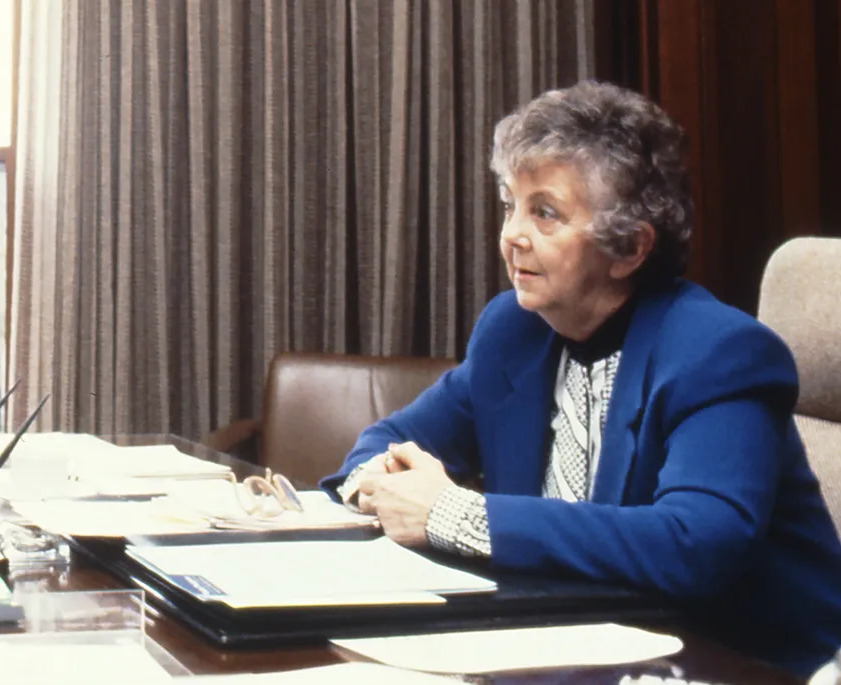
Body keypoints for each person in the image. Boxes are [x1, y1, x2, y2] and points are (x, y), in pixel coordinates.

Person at [321, 80, 841, 675]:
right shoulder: (513, 331)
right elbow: (390, 439)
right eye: (509, 204)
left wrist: (450, 515)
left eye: (545, 212)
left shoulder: (719, 353)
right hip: (570, 648)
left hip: (741, 662)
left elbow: (697, 544)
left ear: (628, 248)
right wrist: (379, 482)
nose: (512, 234)